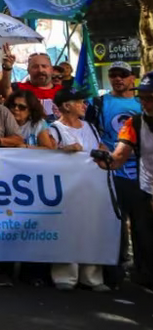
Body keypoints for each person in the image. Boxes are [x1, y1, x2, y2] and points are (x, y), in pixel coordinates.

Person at [85, 61, 152, 286]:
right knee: (120, 223)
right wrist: (106, 162)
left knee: (145, 230)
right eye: (143, 97)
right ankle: (124, 271)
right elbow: (119, 155)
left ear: (131, 77)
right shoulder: (133, 123)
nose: (146, 102)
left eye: (150, 97)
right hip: (132, 179)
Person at [46, 88, 108, 291]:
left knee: (92, 230)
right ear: (66, 106)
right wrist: (63, 151)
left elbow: (100, 147)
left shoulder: (90, 127)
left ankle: (92, 277)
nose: (84, 105)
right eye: (80, 101)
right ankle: (65, 275)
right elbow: (45, 158)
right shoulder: (54, 129)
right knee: (67, 230)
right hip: (67, 190)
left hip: (92, 189)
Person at [0, 51, 60, 121]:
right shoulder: (19, 88)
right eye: (35, 67)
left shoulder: (65, 92)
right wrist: (7, 68)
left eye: (44, 66)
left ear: (52, 70)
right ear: (28, 70)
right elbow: (5, 90)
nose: (40, 70)